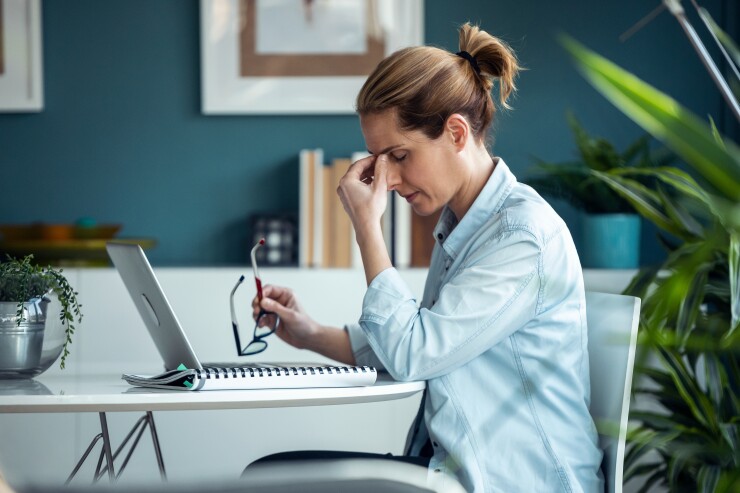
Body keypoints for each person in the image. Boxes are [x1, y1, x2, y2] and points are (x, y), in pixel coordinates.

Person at [251, 23, 603, 493]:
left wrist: (366, 228)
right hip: (454, 470)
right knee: (272, 472)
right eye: (378, 161)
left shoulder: (522, 237)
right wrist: (309, 333)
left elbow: (414, 353)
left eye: (399, 155)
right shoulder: (465, 225)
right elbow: (415, 341)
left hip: (516, 483)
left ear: (456, 133)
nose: (388, 180)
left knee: (271, 478)